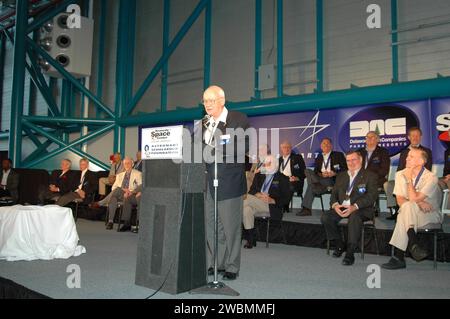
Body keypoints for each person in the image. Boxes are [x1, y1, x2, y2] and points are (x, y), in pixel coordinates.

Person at [202, 85, 250, 281]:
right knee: (212, 227)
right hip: (208, 183)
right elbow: (197, 149)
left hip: (229, 183)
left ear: (222, 101)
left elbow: (242, 146)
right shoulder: (203, 123)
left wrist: (216, 146)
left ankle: (232, 265)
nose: (207, 105)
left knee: (231, 228)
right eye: (205, 101)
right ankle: (216, 263)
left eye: (211, 100)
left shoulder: (238, 119)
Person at [382, 147, 443, 270]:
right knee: (407, 208)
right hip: (411, 212)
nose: (407, 158)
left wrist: (409, 180)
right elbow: (399, 200)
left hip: (430, 214)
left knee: (403, 214)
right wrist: (419, 203)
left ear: (421, 161)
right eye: (407, 156)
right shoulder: (400, 174)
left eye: (411, 157)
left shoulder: (431, 177)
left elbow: (414, 199)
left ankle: (399, 257)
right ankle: (413, 244)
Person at [321, 150, 378, 266]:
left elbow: (371, 197)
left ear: (360, 160)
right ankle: (339, 244)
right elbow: (333, 195)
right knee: (326, 217)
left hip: (362, 208)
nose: (351, 163)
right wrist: (335, 205)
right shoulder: (341, 176)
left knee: (354, 217)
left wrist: (354, 207)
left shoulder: (370, 176)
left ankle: (350, 252)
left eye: (354, 160)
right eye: (348, 160)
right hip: (342, 207)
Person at [243, 155, 290, 248]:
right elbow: (252, 190)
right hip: (257, 202)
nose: (266, 165)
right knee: (246, 209)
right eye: (265, 163)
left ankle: (247, 235)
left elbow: (286, 198)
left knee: (245, 199)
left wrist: (272, 200)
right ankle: (251, 239)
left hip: (272, 206)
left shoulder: (283, 178)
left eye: (269, 163)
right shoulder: (259, 175)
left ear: (276, 165)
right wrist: (258, 195)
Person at [385, 127, 433, 220]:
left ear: (421, 137)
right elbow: (399, 169)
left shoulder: (426, 151)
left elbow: (428, 168)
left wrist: (410, 177)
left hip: (418, 179)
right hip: (404, 177)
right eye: (413, 135)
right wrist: (403, 177)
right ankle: (396, 209)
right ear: (409, 137)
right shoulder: (404, 152)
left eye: (417, 135)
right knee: (389, 184)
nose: (415, 138)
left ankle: (410, 209)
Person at [299, 138, 347, 216]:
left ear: (331, 146)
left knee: (311, 186)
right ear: (321, 146)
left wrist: (334, 173)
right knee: (307, 171)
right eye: (324, 144)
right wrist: (322, 174)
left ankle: (306, 209)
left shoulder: (338, 155)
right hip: (321, 179)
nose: (326, 145)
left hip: (332, 180)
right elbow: (315, 172)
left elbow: (345, 169)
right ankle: (316, 185)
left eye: (328, 143)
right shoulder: (319, 157)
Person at [105, 157, 142, 231]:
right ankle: (111, 221)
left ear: (132, 164)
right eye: (125, 163)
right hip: (120, 193)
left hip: (131, 195)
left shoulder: (138, 174)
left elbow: (140, 186)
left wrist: (129, 192)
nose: (127, 165)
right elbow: (113, 187)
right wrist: (123, 190)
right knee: (115, 194)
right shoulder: (119, 175)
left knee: (114, 196)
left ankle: (102, 202)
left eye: (128, 163)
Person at [278, 141, 306, 213]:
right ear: (281, 149)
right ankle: (276, 205)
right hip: (281, 180)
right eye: (284, 147)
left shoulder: (297, 158)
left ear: (291, 149)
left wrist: (297, 178)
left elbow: (304, 172)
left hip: (294, 181)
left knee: (288, 184)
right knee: (274, 184)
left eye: (288, 147)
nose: (287, 149)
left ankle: (285, 204)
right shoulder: (279, 160)